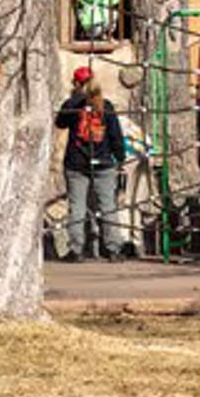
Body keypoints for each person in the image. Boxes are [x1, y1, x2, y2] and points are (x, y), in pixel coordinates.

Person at [54, 68, 128, 261]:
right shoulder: (106, 106)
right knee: (108, 206)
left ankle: (76, 250)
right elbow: (115, 135)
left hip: (76, 164)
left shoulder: (72, 106)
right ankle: (113, 249)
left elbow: (59, 123)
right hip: (103, 163)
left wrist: (72, 101)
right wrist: (120, 158)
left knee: (77, 207)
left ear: (77, 84)